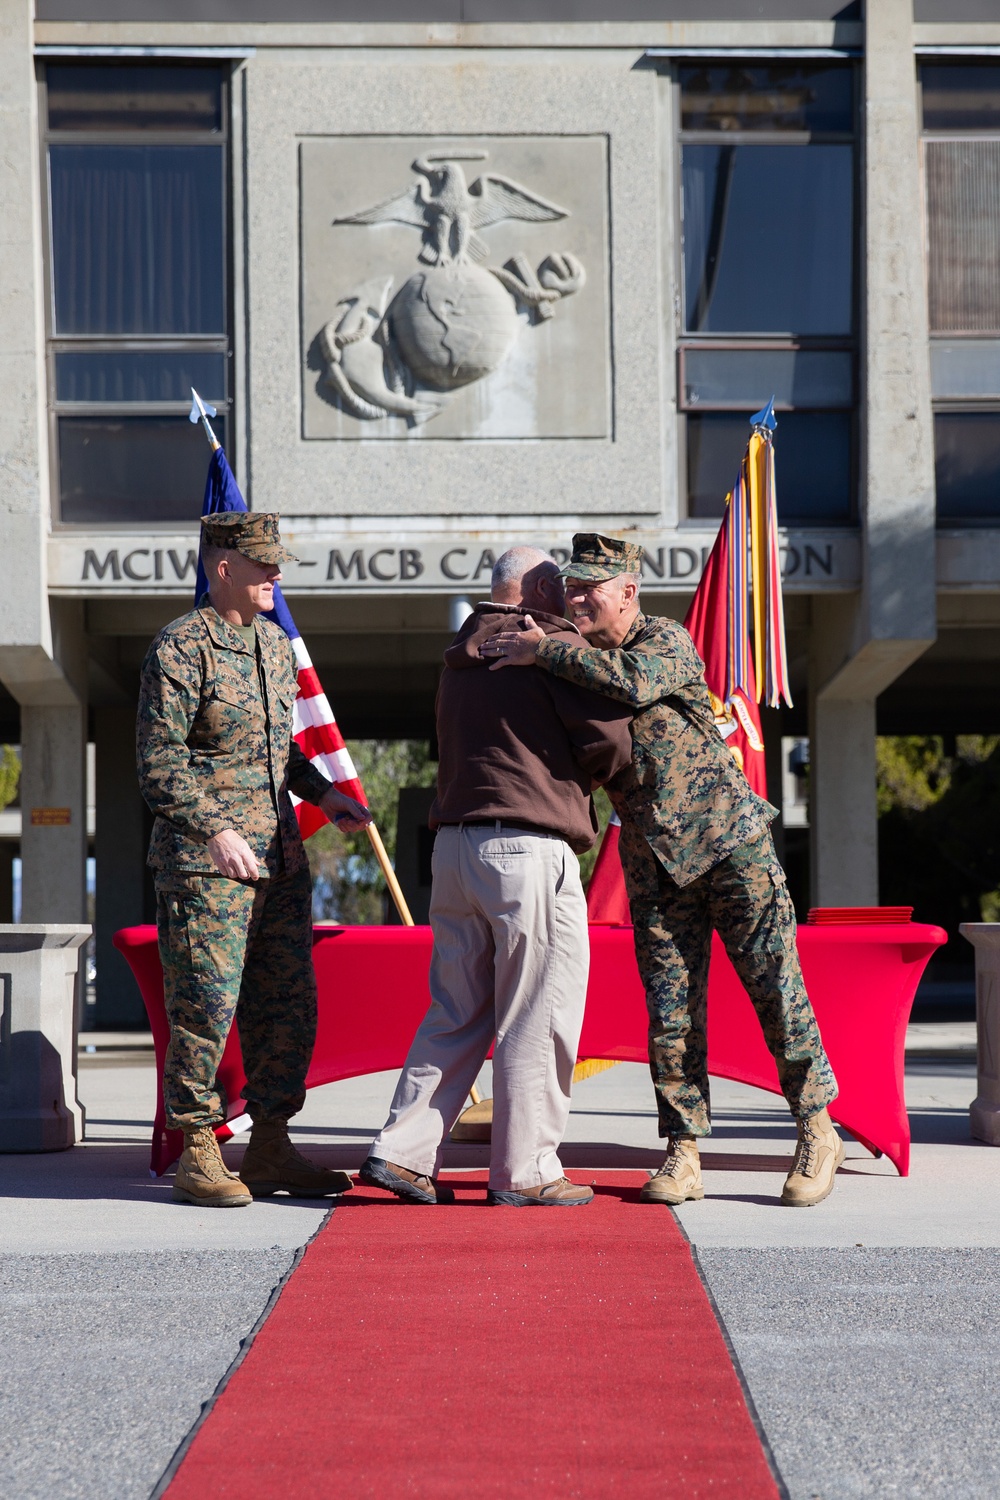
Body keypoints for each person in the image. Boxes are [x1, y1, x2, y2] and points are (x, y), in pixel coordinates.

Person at [482, 533, 842, 1209]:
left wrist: (543, 650)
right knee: (670, 1011)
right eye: (572, 587)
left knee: (775, 987)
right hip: (652, 860)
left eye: (594, 587)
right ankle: (682, 1149)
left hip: (729, 844)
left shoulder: (664, 640)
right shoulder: (571, 662)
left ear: (628, 592)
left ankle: (816, 1127)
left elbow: (634, 683)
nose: (579, 598)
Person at [359, 547, 633, 1207]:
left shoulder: (459, 654)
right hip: (528, 850)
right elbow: (613, 743)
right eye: (560, 587)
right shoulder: (549, 646)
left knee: (457, 1010)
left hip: (453, 849)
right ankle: (526, 1170)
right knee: (538, 1010)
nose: (569, 600)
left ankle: (401, 1152)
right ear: (539, 589)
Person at [137, 512, 371, 1208]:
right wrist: (212, 829)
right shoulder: (181, 647)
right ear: (224, 569)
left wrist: (325, 795)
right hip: (207, 868)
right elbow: (159, 760)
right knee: (205, 1007)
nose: (277, 576)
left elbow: (278, 754)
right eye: (265, 565)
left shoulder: (273, 646)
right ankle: (199, 1149)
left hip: (279, 862)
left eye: (278, 563)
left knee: (287, 1007)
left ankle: (270, 1142)